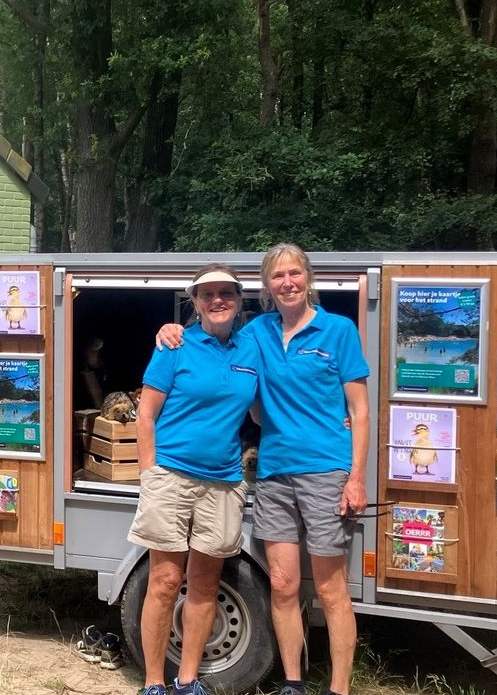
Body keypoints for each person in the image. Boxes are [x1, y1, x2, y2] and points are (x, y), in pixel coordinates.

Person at [157, 244, 369, 695]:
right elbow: (215, 337)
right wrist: (172, 328)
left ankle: (339, 689)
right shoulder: (257, 333)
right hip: (273, 473)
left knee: (331, 591)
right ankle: (294, 683)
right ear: (267, 287)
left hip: (327, 471)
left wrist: (355, 477)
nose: (287, 282)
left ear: (307, 279)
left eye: (294, 273)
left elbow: (361, 410)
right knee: (283, 584)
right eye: (277, 276)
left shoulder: (338, 330)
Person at [129, 264, 259, 695]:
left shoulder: (251, 348)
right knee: (165, 581)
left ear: (240, 300)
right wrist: (150, 474)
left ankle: (188, 681)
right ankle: (153, 682)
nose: (217, 300)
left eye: (226, 292)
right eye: (208, 294)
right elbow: (145, 415)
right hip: (171, 476)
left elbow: (260, 411)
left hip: (223, 481)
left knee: (205, 584)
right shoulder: (175, 345)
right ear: (195, 302)